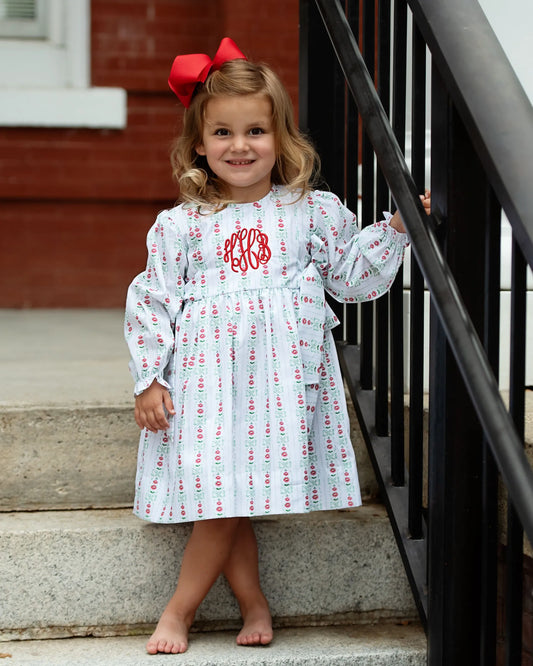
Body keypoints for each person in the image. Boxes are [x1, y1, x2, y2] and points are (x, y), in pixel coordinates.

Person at [124, 37, 431, 656]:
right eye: (223, 134)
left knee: (229, 497)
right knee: (220, 498)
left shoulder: (309, 212)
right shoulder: (183, 225)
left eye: (256, 130)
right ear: (199, 145)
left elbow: (348, 276)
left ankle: (215, 606)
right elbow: (152, 301)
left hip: (276, 385)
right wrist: (149, 377)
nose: (240, 146)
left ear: (282, 137)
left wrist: (397, 230)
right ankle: (204, 609)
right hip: (206, 384)